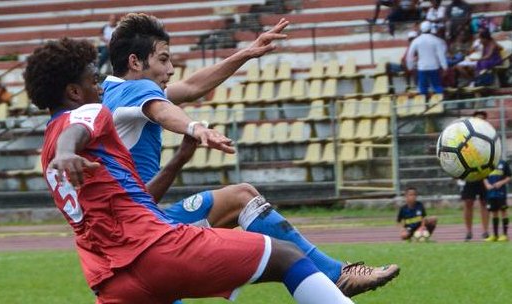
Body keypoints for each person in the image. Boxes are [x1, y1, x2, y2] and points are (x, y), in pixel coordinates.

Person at [25, 37, 354, 304]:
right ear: (73, 92)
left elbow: (127, 197)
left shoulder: (47, 152)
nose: (99, 89)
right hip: (155, 249)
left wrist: (180, 156)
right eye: (92, 81)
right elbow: (78, 129)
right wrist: (69, 151)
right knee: (286, 256)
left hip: (112, 280)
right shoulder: (87, 114)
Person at [102, 13, 400, 298]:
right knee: (252, 216)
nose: (171, 69)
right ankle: (336, 275)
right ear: (135, 62)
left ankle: (336, 274)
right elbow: (164, 111)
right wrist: (194, 128)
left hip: (138, 227)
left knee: (241, 197)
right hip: (134, 237)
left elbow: (192, 87)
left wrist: (248, 52)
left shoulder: (116, 93)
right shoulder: (137, 91)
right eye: (164, 59)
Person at [460, 110, 490, 241]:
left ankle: (485, 231)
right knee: (468, 202)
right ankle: (468, 232)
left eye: (483, 119)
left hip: (485, 173)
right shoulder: (467, 137)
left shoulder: (490, 137)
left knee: (484, 202)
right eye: (478, 119)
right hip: (471, 174)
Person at [406, 21, 448, 95]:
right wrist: (445, 67)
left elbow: (410, 55)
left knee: (423, 88)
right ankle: (440, 103)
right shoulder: (436, 40)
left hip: (422, 67)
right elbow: (441, 55)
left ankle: (424, 104)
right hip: (434, 67)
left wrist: (410, 67)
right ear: (430, 29)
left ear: (421, 29)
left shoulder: (416, 41)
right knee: (437, 86)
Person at [483, 159, 511, 242]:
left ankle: (505, 235)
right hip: (491, 194)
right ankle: (495, 235)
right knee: (494, 213)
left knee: (503, 212)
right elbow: (484, 177)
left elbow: (509, 177)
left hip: (501, 193)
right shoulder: (487, 163)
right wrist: (487, 185)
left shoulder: (504, 163)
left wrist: (501, 183)